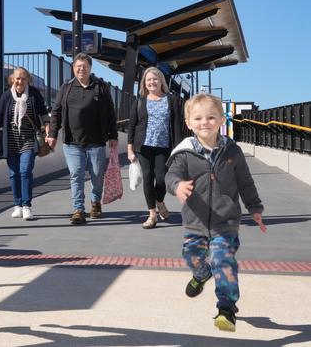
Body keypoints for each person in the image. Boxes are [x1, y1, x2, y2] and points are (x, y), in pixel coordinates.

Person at [165, 93, 267, 332]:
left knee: (224, 260)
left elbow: (245, 182)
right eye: (198, 118)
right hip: (194, 220)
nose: (205, 122)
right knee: (192, 256)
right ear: (189, 123)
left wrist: (255, 208)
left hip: (226, 221)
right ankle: (201, 274)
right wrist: (177, 185)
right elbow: (171, 175)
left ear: (222, 120)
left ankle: (227, 309)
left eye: (211, 117)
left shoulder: (232, 151)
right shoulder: (185, 152)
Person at [46, 53, 118, 225]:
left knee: (97, 175)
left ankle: (95, 202)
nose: (81, 69)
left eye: (85, 66)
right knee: (76, 173)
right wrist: (52, 134)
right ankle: (78, 209)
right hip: (72, 142)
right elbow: (56, 112)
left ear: (90, 68)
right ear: (73, 68)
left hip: (96, 141)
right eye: (78, 66)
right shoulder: (66, 87)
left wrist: (113, 135)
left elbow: (110, 112)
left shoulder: (100, 87)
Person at [0, 67, 49, 220]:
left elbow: (43, 112)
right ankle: (17, 205)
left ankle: (27, 205)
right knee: (13, 174)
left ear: (27, 80)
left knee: (25, 171)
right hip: (11, 141)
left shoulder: (34, 94)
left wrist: (48, 127)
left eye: (23, 78)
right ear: (12, 80)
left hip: (28, 140)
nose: (20, 81)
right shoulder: (6, 96)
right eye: (17, 78)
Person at [127, 67, 184, 229]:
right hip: (143, 147)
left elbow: (176, 126)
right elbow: (132, 126)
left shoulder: (171, 99)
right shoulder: (140, 101)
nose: (152, 82)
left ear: (161, 81)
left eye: (155, 79)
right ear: (145, 83)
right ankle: (152, 214)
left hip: (164, 147)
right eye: (148, 80)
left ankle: (159, 202)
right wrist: (130, 150)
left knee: (161, 179)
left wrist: (179, 149)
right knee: (147, 176)